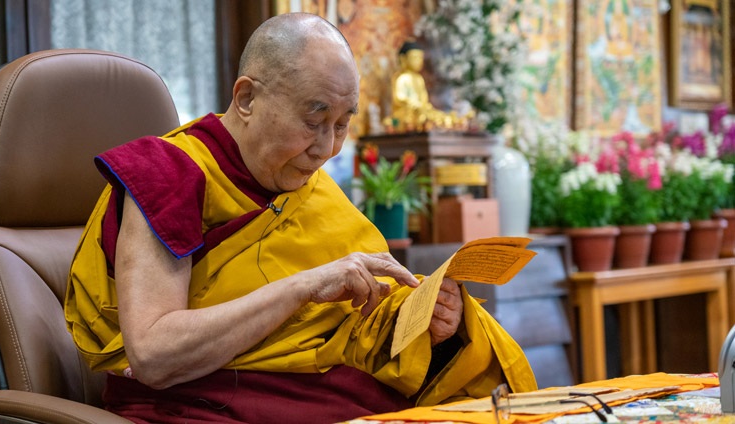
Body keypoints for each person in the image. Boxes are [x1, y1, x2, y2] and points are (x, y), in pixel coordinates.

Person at [64, 13, 536, 424]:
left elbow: (355, 329)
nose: (326, 148)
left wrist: (429, 324)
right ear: (246, 99)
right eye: (313, 121)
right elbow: (154, 354)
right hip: (208, 408)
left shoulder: (309, 187)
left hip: (346, 402)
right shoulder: (168, 176)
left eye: (342, 124)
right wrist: (304, 286)